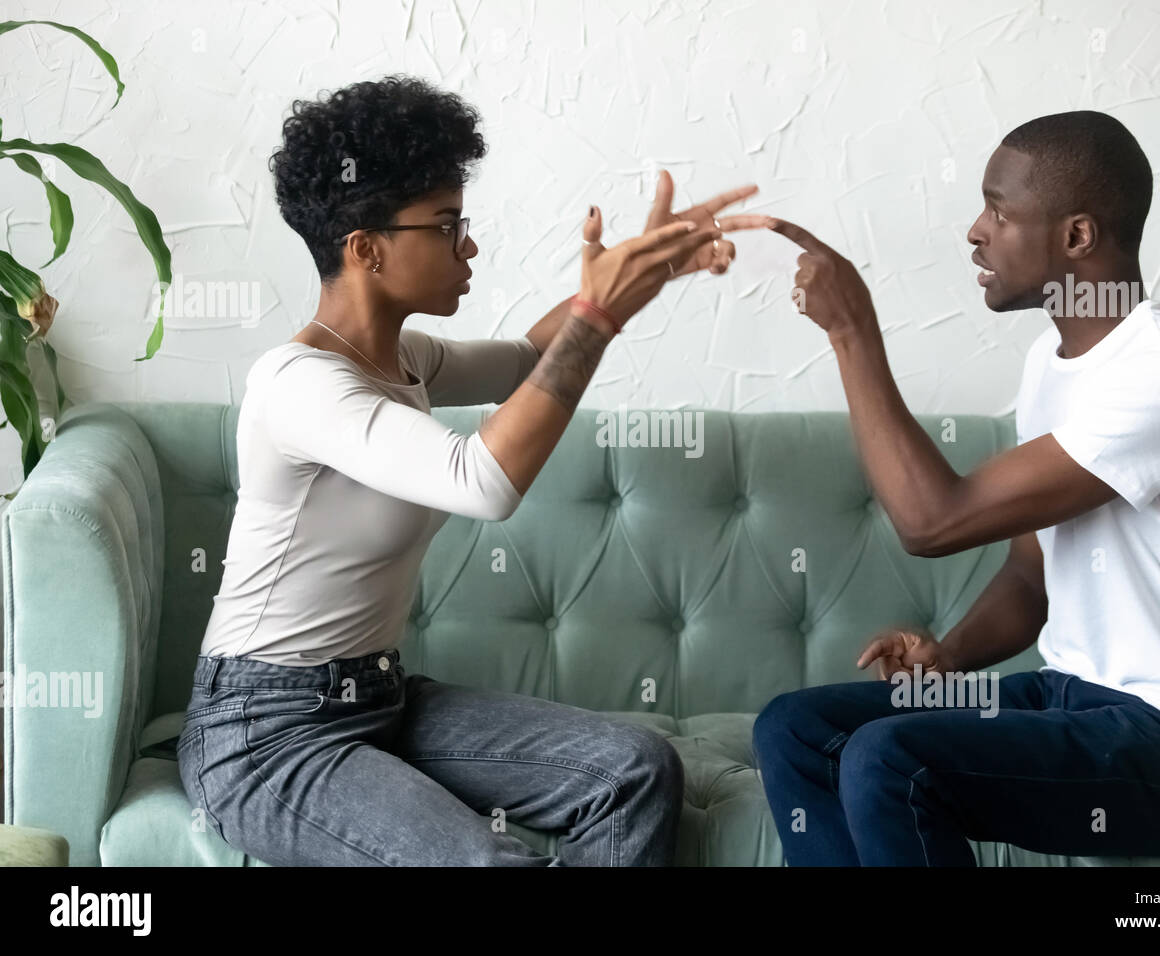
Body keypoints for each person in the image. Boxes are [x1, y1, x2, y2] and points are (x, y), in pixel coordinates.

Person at [177, 74, 767, 866]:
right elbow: (481, 479)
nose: (470, 247)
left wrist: (635, 278)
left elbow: (530, 361)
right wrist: (596, 313)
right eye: (447, 226)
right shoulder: (299, 384)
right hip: (265, 735)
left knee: (632, 770)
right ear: (367, 249)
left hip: (378, 696)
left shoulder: (402, 357)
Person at [752, 110, 1160, 866]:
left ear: (1078, 237)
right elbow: (1033, 573)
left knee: (891, 759)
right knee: (795, 729)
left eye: (1000, 209)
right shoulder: (1050, 366)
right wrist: (949, 660)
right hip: (1068, 696)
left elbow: (933, 523)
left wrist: (851, 331)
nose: (975, 230)